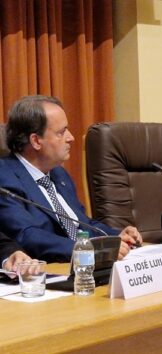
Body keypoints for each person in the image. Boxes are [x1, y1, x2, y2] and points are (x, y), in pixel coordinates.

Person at [0, 95, 142, 262]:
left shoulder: (58, 174)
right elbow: (27, 234)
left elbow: (82, 223)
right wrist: (85, 250)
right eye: (61, 132)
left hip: (84, 267)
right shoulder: (5, 176)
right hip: (47, 272)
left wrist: (114, 236)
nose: (71, 137)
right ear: (36, 141)